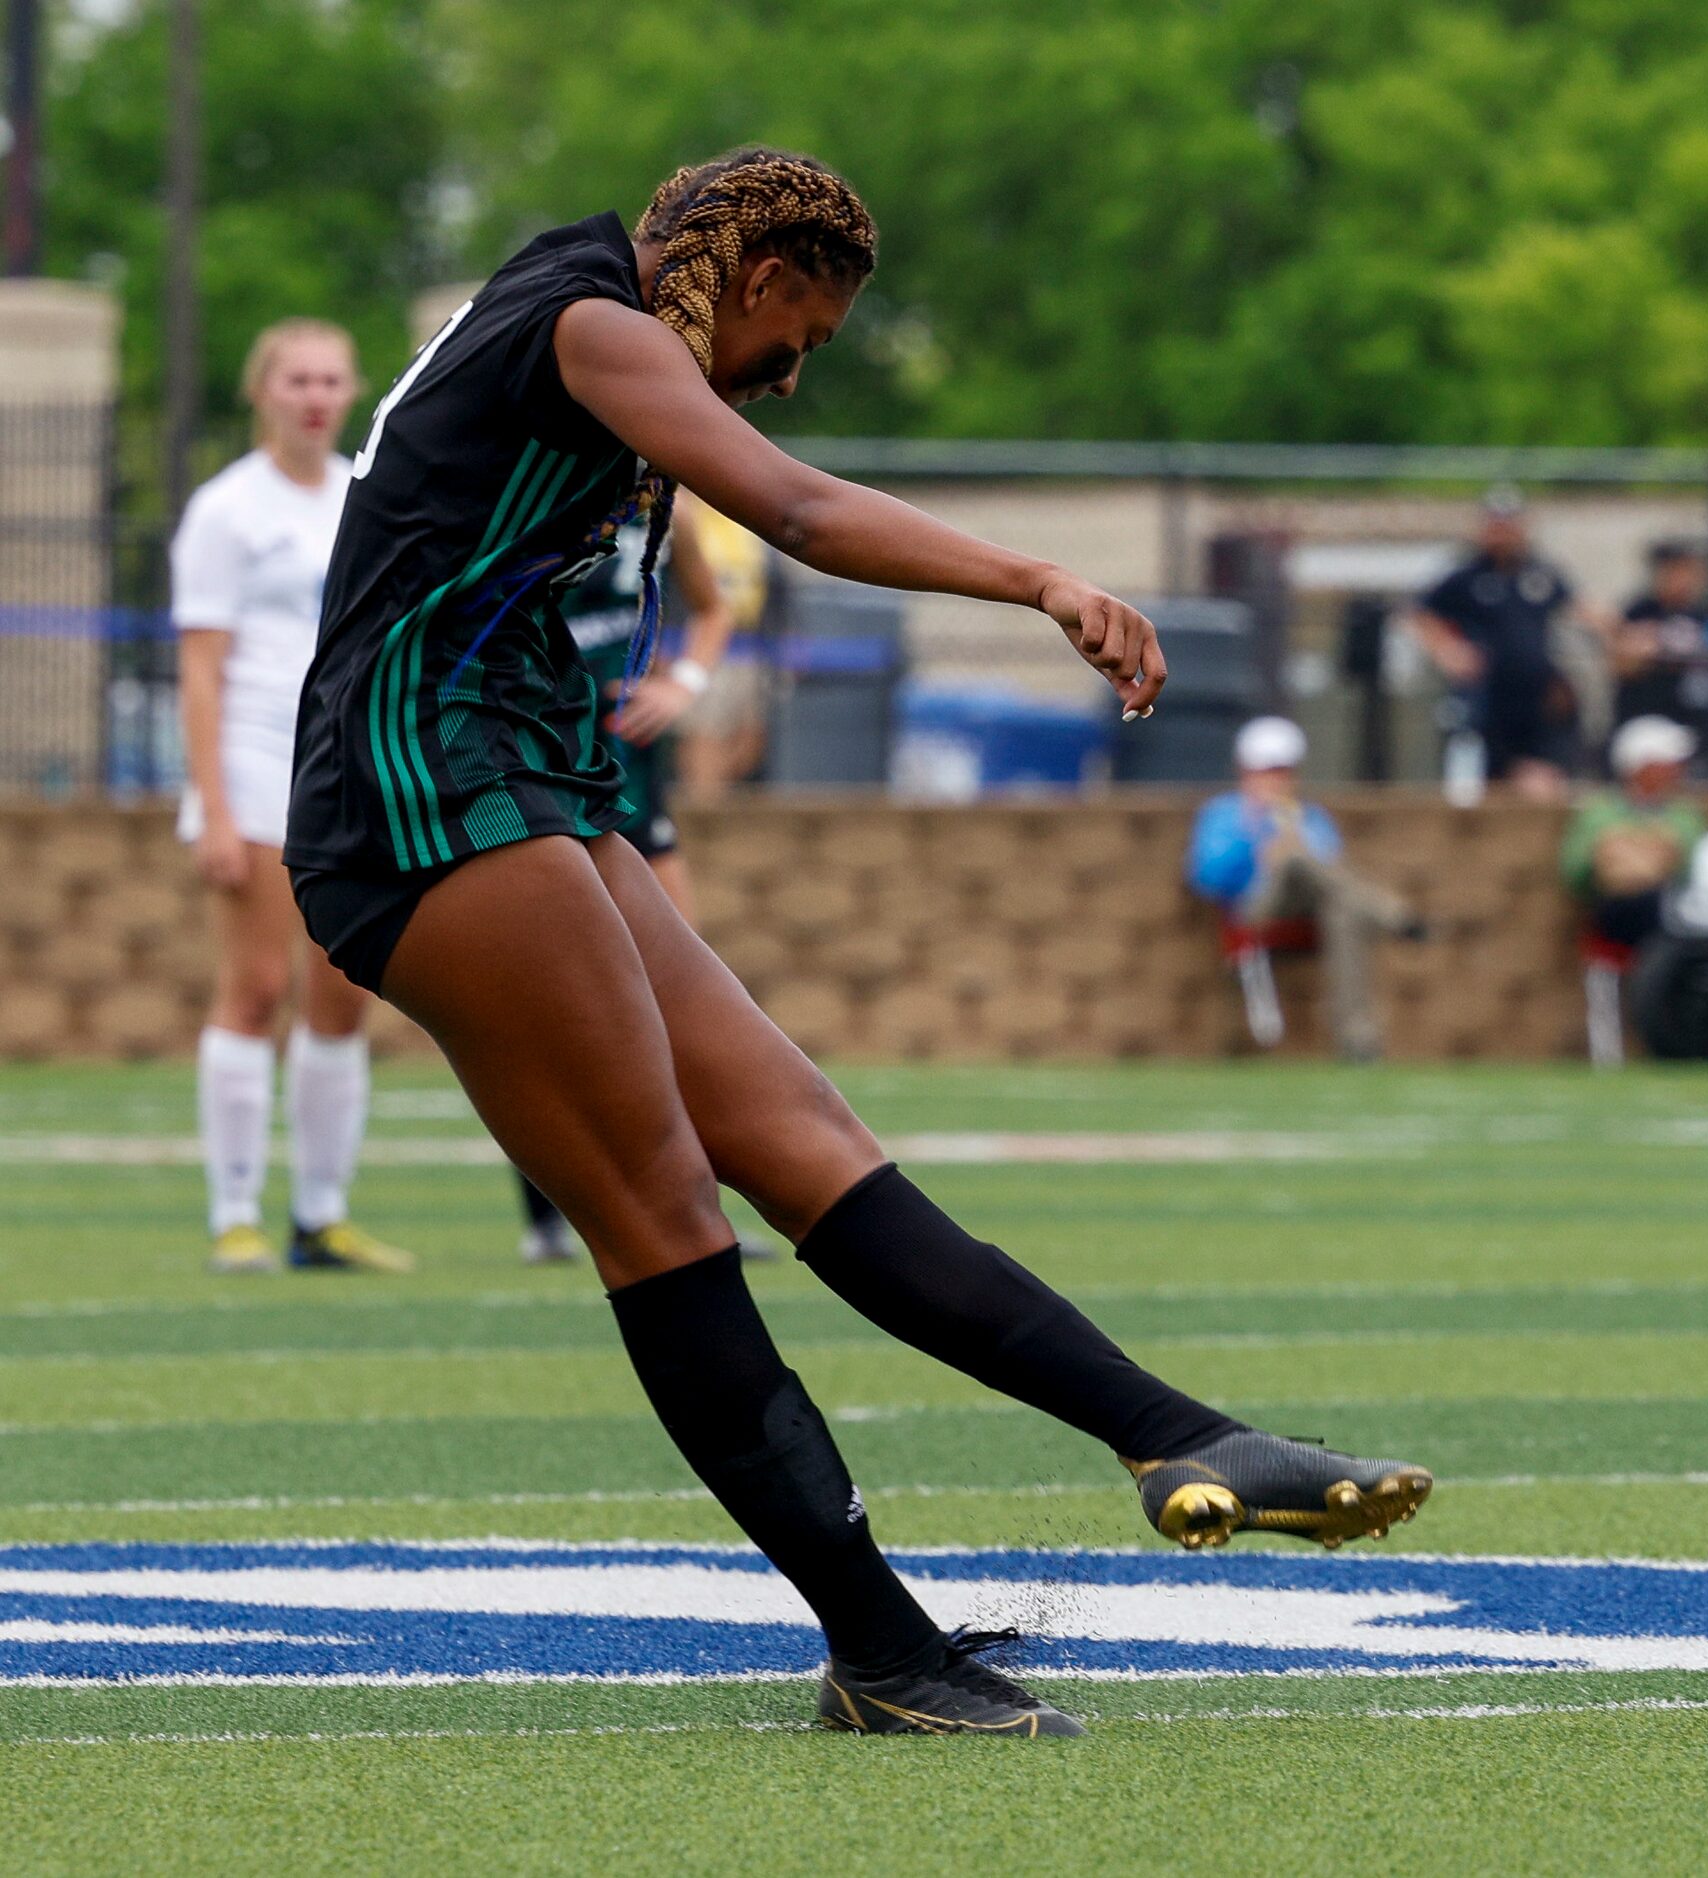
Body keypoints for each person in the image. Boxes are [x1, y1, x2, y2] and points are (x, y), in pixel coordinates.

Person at [282, 147, 1430, 1737]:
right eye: (796, 335)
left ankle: (1178, 1435)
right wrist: (1035, 577)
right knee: (666, 1207)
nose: (792, 374)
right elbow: (801, 511)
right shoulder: (594, 322)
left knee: (808, 1142)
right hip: (419, 788)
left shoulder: (600, 324)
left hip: (518, 767)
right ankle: (880, 1646)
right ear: (749, 276)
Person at [173, 318, 412, 1277]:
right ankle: (236, 1211)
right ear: (261, 391)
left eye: (329, 379)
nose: (313, 396)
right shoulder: (226, 511)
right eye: (294, 380)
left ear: (352, 391)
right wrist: (216, 810)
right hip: (257, 765)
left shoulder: (365, 492)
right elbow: (201, 669)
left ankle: (322, 1214)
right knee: (258, 985)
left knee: (344, 992)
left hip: (349, 774)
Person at [509, 501, 753, 1265]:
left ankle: (697, 1210)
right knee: (551, 1001)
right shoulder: (547, 490)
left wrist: (680, 682)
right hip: (547, 762)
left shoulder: (667, 503)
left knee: (685, 993)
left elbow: (715, 609)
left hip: (630, 774)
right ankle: (548, 1213)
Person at [1185, 716, 1424, 1063]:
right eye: (1267, 771)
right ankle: (1394, 915)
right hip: (1252, 905)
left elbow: (1330, 874)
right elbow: (1207, 878)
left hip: (1308, 909)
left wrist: (1293, 837)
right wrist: (1254, 838)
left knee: (1345, 912)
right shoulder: (1223, 815)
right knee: (1298, 863)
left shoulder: (1310, 816)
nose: (1276, 781)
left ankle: (1359, 1041)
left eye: (1282, 771)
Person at [1410, 487, 1600, 802]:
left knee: (1545, 780)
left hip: (1535, 702)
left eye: (1509, 524)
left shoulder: (1541, 573)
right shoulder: (1466, 577)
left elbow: (1581, 608)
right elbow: (1420, 613)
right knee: (1477, 783)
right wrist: (1447, 650)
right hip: (1486, 701)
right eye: (1496, 524)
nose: (1503, 533)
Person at [1562, 716, 1708, 948]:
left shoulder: (1685, 815)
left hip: (1674, 912)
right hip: (1617, 913)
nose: (1678, 769)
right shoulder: (1600, 811)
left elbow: (1697, 867)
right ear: (1643, 767)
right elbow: (1575, 873)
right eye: (1669, 763)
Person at [671, 496, 773, 804]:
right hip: (698, 642)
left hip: (747, 645)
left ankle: (717, 808)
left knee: (747, 740)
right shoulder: (682, 511)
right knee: (704, 733)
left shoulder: (748, 516)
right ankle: (701, 811)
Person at [1610, 540, 1708, 750]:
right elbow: (1621, 666)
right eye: (1678, 570)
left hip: (1695, 722)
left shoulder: (1707, 615)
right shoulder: (1640, 611)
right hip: (1646, 722)